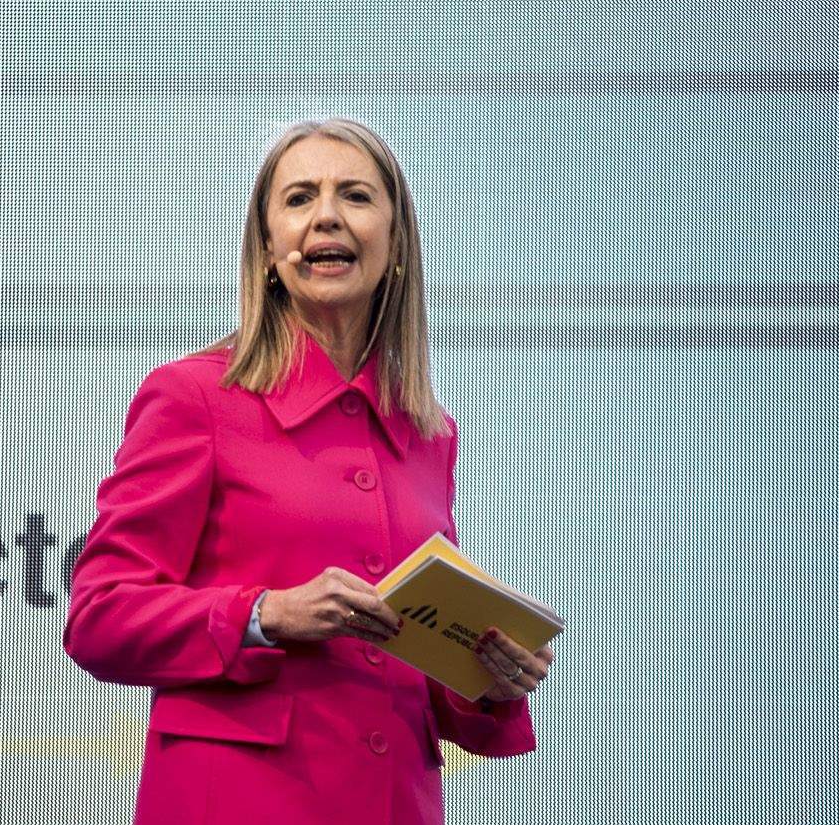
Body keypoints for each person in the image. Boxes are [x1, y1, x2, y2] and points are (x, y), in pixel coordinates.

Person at [62, 117, 554, 824]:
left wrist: (486, 674)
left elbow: (407, 663)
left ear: (397, 244)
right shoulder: (194, 397)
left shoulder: (429, 434)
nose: (326, 215)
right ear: (267, 250)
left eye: (355, 195)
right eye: (299, 199)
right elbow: (100, 617)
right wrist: (266, 614)